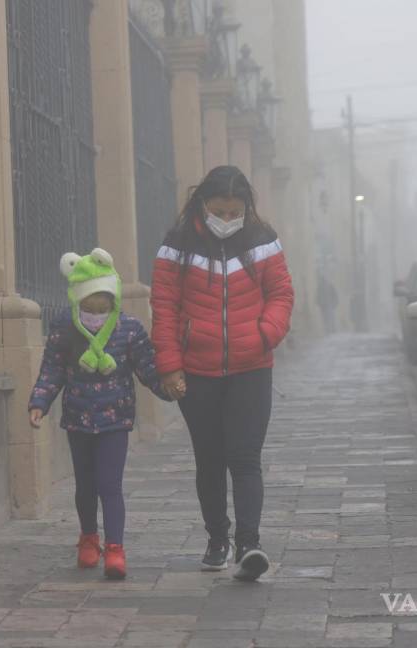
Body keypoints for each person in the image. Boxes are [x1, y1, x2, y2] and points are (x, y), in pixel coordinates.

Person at [150, 165, 294, 581]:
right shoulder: (176, 246)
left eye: (235, 212)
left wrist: (265, 334)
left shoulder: (263, 242)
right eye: (220, 211)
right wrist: (170, 366)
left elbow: (282, 293)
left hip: (252, 368)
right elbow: (164, 308)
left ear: (246, 208)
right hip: (197, 373)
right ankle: (218, 539)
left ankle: (250, 544)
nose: (228, 220)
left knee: (245, 457)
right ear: (202, 205)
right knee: (209, 459)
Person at [28, 248, 171, 580]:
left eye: (103, 303)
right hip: (78, 417)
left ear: (114, 299)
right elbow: (52, 369)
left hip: (115, 419)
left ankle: (116, 548)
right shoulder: (65, 326)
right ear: (78, 301)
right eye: (89, 304)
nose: (96, 311)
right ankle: (89, 538)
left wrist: (169, 389)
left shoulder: (130, 329)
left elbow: (147, 368)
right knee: (85, 485)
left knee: (110, 484)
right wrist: (39, 401)